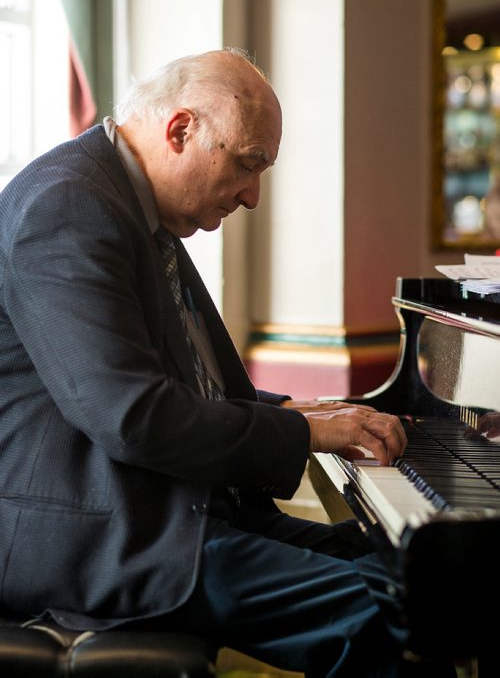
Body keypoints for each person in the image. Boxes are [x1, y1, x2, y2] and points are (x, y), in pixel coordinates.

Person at [0, 48, 453, 677]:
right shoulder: (67, 207)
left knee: (397, 566)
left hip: (167, 508)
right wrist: (305, 431)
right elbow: (134, 416)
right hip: (103, 535)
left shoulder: (132, 203)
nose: (252, 196)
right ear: (180, 130)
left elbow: (181, 383)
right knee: (387, 619)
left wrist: (293, 408)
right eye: (247, 165)